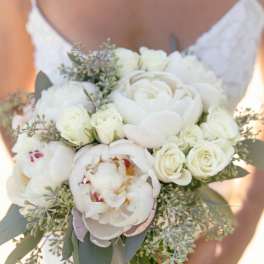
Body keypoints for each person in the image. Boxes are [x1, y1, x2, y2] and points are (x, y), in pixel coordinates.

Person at [0, 0, 264, 263]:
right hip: (77, 249)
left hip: (203, 245)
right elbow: (9, 102)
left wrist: (243, 224)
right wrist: (60, 198)